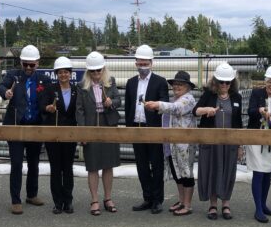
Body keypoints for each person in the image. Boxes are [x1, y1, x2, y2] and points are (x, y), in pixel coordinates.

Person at [0, 44, 49, 215]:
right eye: (25, 64)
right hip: (16, 126)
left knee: (34, 163)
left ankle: (32, 195)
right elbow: (1, 87)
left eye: (31, 64)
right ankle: (15, 200)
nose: (28, 68)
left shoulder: (44, 80)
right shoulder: (13, 76)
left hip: (35, 127)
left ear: (38, 63)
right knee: (17, 163)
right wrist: (6, 93)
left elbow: (49, 98)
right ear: (20, 63)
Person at [193, 62, 243, 220]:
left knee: (228, 171)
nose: (224, 85)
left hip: (230, 143)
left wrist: (240, 144)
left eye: (228, 82)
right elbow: (195, 111)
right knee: (212, 171)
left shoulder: (237, 97)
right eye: (221, 81)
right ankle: (213, 205)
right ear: (215, 81)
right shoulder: (208, 94)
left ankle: (226, 204)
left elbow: (239, 122)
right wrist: (206, 110)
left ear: (232, 82)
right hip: (211, 142)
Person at [144, 70, 197, 216]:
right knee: (177, 174)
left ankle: (187, 204)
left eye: (181, 84)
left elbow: (176, 109)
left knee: (186, 174)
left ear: (188, 87)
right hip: (172, 144)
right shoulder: (174, 99)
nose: (177, 86)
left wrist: (157, 104)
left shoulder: (188, 99)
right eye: (175, 84)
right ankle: (181, 201)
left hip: (184, 145)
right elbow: (168, 110)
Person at [75, 51, 121, 216]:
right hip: (90, 127)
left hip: (108, 126)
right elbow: (79, 110)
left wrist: (111, 102)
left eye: (98, 70)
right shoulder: (81, 87)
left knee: (108, 165)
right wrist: (83, 133)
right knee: (93, 166)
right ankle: (94, 200)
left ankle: (108, 198)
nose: (95, 74)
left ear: (103, 69)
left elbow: (118, 100)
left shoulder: (111, 82)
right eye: (92, 71)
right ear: (88, 71)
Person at [125, 44, 169, 214]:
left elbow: (165, 103)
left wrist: (156, 106)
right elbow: (129, 107)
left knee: (156, 165)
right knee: (141, 166)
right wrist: (129, 129)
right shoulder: (130, 83)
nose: (142, 66)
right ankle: (147, 198)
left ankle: (158, 200)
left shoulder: (160, 82)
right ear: (136, 63)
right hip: (136, 128)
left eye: (145, 63)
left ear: (152, 63)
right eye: (140, 63)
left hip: (154, 128)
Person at [246, 64, 271, 223]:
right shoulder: (256, 93)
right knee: (258, 171)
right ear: (266, 81)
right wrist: (260, 111)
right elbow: (250, 111)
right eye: (270, 82)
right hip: (256, 136)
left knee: (268, 171)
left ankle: (263, 204)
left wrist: (270, 117)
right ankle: (258, 208)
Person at [40, 56, 78, 215]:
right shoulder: (50, 89)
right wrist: (47, 108)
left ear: (70, 73)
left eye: (66, 72)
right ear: (56, 74)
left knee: (67, 168)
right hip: (53, 133)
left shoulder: (76, 90)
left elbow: (78, 111)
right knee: (55, 168)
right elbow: (42, 105)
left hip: (70, 134)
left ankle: (68, 201)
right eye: (60, 72)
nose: (63, 75)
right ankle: (57, 202)